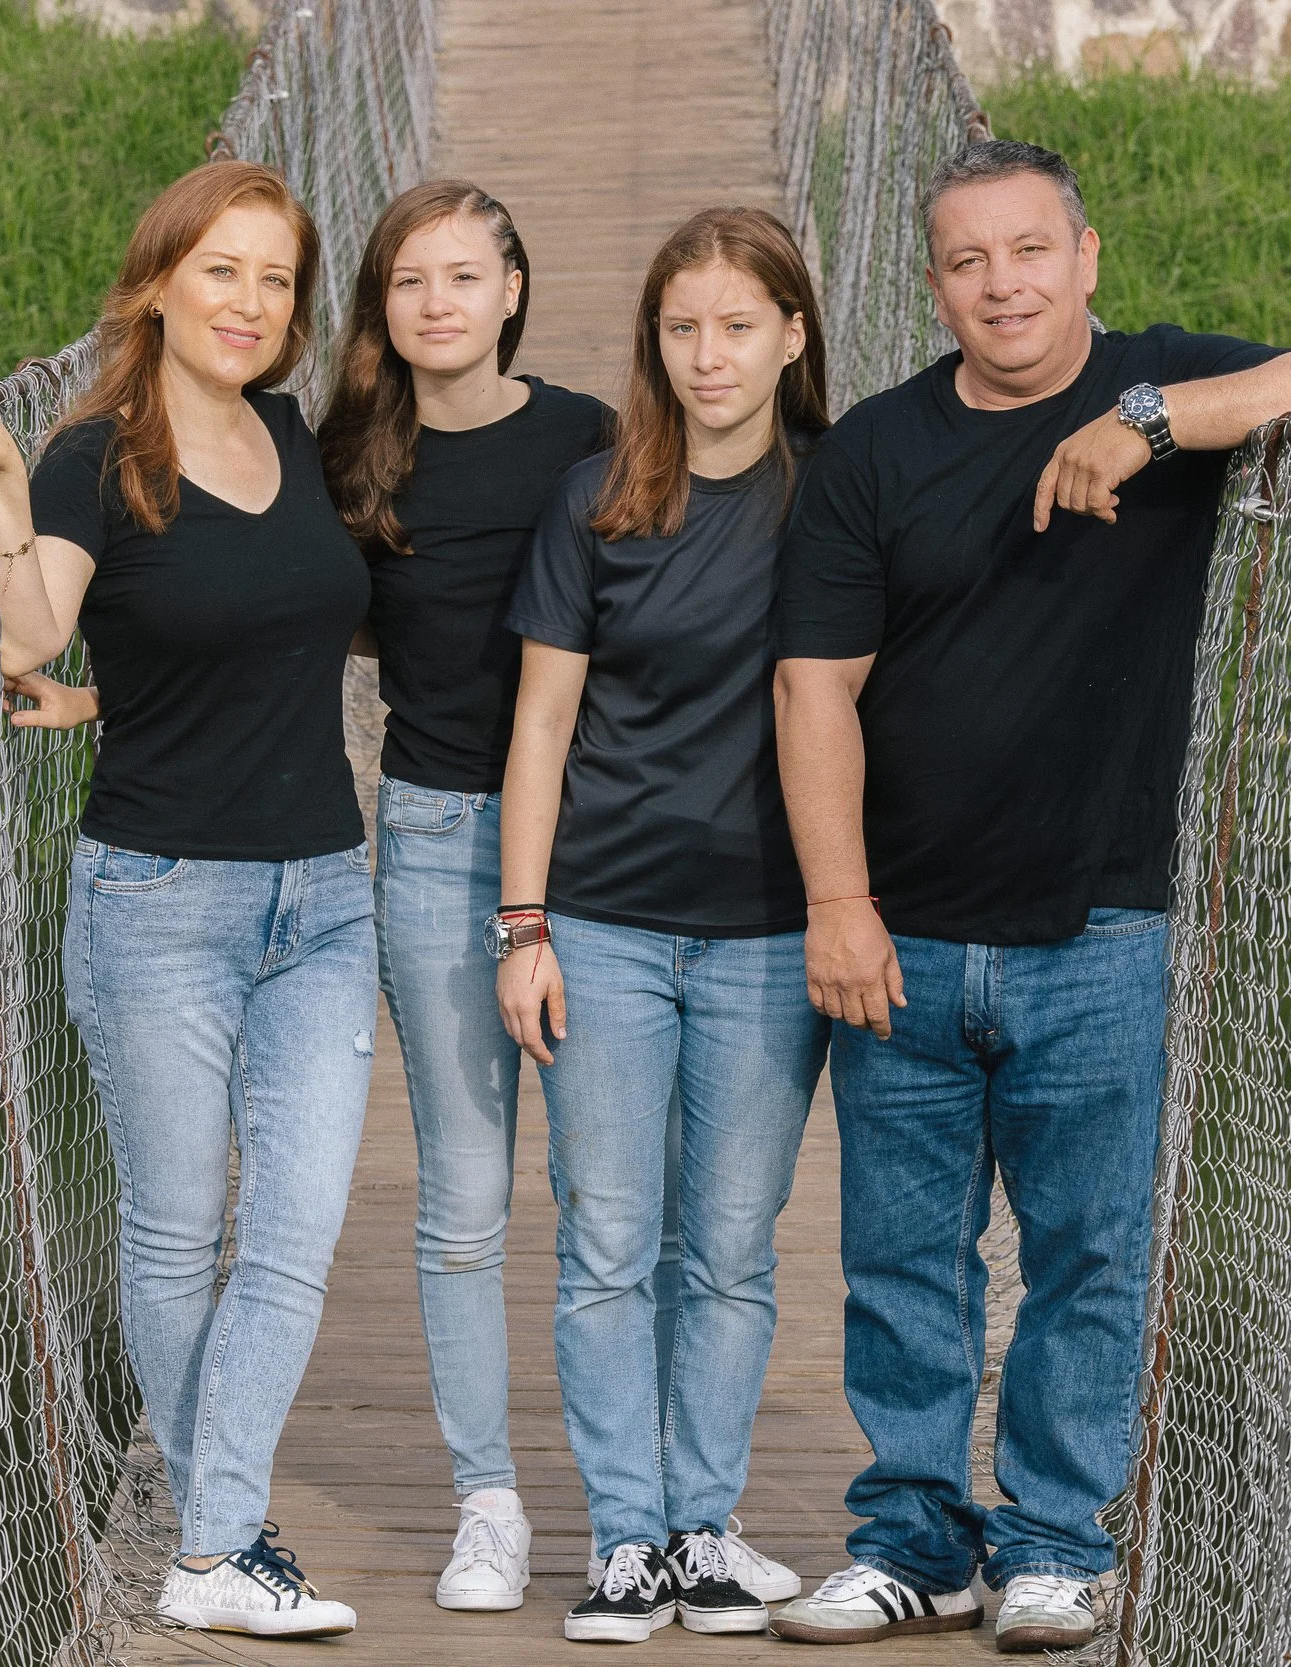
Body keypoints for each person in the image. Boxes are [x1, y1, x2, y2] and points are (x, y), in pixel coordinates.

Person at [28, 179, 805, 1614]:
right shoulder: (334, 453)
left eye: (467, 276)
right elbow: (245, 599)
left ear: (516, 288)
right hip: (442, 835)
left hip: (606, 841)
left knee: (615, 1198)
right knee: (457, 1197)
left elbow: (701, 597)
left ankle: (672, 1516)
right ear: (380, 311)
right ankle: (486, 1498)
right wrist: (107, 698)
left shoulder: (593, 442)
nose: (438, 303)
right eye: (407, 282)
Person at [766, 140, 1291, 1653]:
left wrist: (1152, 425)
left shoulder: (1160, 382)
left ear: (1085, 256)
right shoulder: (874, 453)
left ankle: (1050, 1537)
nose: (1002, 283)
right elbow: (814, 686)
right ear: (932, 285)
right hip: (898, 929)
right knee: (902, 1259)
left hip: (1101, 923)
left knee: (1090, 1251)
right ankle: (912, 1534)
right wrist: (838, 904)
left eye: (1029, 250)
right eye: (968, 261)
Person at [0, 158, 373, 1641]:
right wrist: (1, 481)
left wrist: (126, 689)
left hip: (324, 893)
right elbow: (31, 633)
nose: (249, 303)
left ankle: (210, 1544)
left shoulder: (300, 438)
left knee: (298, 1226)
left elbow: (248, 629)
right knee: (180, 1231)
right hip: (161, 895)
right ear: (159, 281)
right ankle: (225, 1544)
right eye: (221, 270)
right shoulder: (91, 458)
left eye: (276, 278)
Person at [491, 206, 832, 1645]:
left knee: (734, 1245)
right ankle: (627, 1538)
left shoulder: (839, 501)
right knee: (610, 1239)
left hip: (769, 929)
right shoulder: (598, 500)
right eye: (682, 327)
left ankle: (704, 1525)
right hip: (611, 923)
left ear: (792, 335)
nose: (709, 355)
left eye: (738, 326)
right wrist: (524, 924)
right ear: (654, 340)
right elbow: (544, 721)